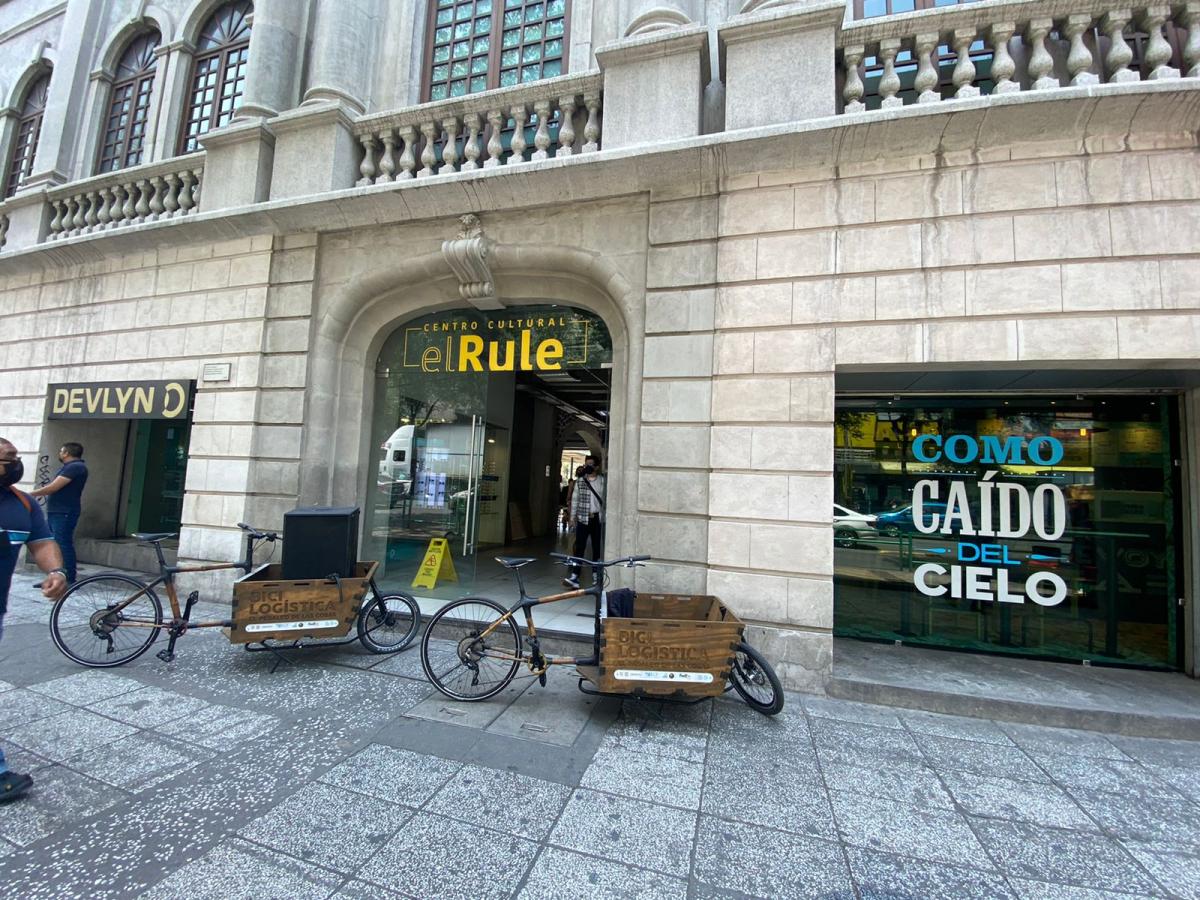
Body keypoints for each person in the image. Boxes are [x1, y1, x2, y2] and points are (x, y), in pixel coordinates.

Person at [0, 438, 68, 803]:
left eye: (15, 459)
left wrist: (55, 569)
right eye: (7, 459)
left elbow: (41, 542)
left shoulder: (22, 503)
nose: (15, 465)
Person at [30, 442, 88, 584]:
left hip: (64, 512)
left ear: (66, 453)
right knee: (54, 544)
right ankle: (55, 578)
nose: (60, 454)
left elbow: (53, 487)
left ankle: (69, 579)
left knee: (63, 544)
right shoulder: (69, 467)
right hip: (58, 511)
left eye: (61, 451)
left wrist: (28, 494)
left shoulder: (76, 467)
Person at [563, 454, 605, 589]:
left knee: (596, 548)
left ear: (597, 467)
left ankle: (595, 576)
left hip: (597, 519)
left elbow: (607, 501)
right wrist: (572, 518)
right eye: (586, 464)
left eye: (591, 464)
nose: (588, 467)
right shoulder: (580, 481)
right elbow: (575, 500)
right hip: (583, 518)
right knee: (579, 548)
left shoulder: (602, 481)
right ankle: (575, 576)